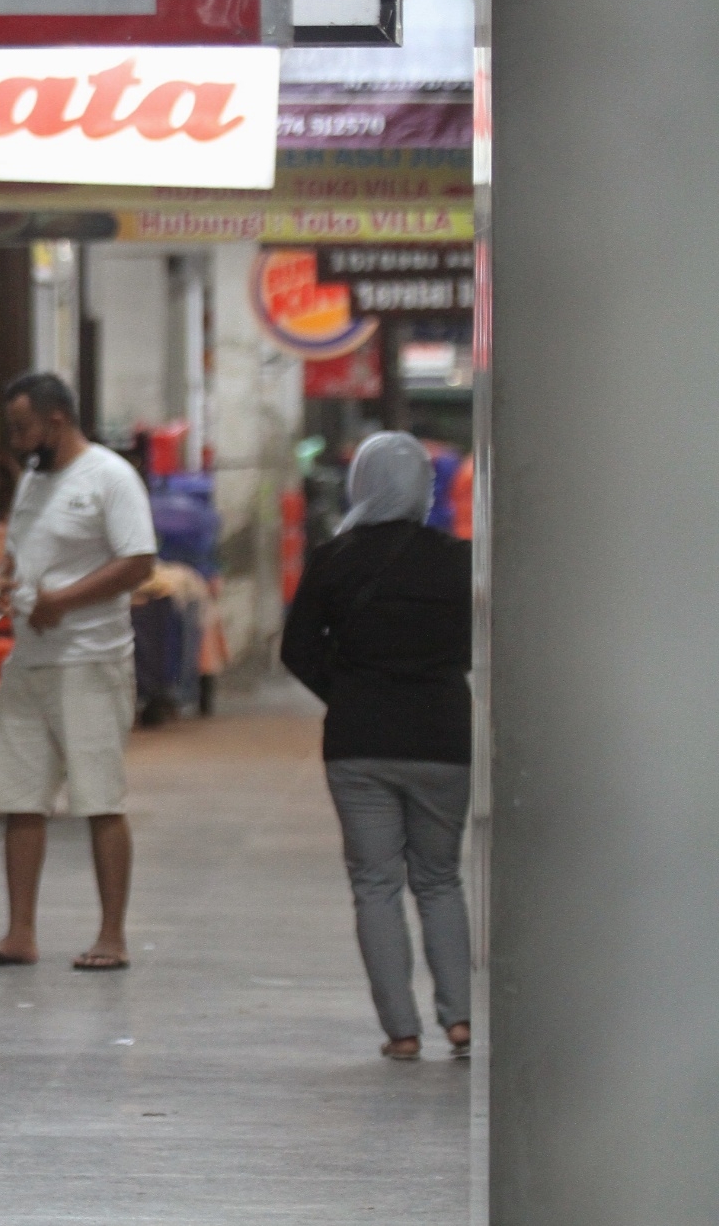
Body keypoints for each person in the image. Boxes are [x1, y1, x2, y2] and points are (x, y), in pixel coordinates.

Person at [281, 432, 474, 1061]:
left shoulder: (334, 558)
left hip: (359, 743)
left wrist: (351, 693)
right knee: (440, 879)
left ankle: (402, 1031)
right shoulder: (457, 561)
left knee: (375, 885)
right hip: (441, 738)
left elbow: (297, 649)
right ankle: (461, 1021)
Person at [0, 373, 157, 972]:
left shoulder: (110, 478)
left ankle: (112, 936)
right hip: (30, 660)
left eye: (23, 429)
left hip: (90, 661)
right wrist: (1, 580)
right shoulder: (34, 481)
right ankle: (20, 933)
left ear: (57, 420)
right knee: (21, 799)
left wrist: (63, 601)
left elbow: (139, 562)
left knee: (99, 799)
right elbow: (19, 556)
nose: (17, 442)